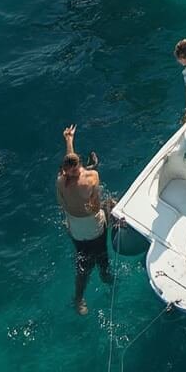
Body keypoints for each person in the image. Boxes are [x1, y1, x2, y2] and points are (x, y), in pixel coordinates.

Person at [55, 124, 112, 315]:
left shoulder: (61, 180)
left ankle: (79, 298)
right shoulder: (92, 176)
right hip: (92, 228)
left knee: (83, 261)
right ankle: (105, 279)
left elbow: (70, 164)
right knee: (98, 260)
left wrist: (69, 140)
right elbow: (95, 207)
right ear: (79, 165)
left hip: (74, 228)